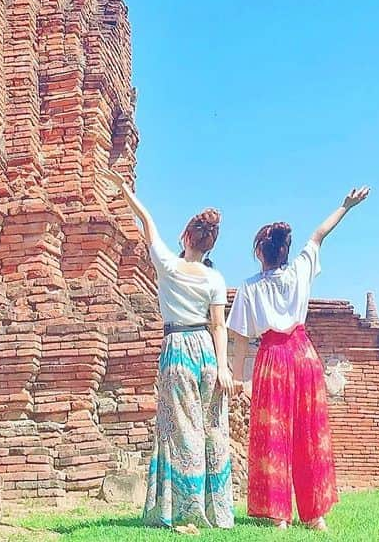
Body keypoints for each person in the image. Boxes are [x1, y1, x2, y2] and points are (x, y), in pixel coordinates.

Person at [228, 187, 371, 532]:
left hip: (273, 358)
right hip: (304, 355)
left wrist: (236, 377)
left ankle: (279, 515)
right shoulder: (299, 270)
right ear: (284, 250)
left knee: (274, 434)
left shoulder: (250, 287)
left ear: (261, 252)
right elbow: (319, 234)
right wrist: (346, 206)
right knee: (309, 433)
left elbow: (240, 338)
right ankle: (314, 515)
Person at [107, 175, 235, 530]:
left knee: (180, 430)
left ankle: (183, 512)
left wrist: (124, 191)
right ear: (209, 245)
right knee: (212, 429)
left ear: (186, 237)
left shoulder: (167, 264)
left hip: (177, 347)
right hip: (208, 353)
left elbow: (146, 221)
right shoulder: (215, 278)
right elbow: (219, 325)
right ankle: (216, 512)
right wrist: (223, 365)